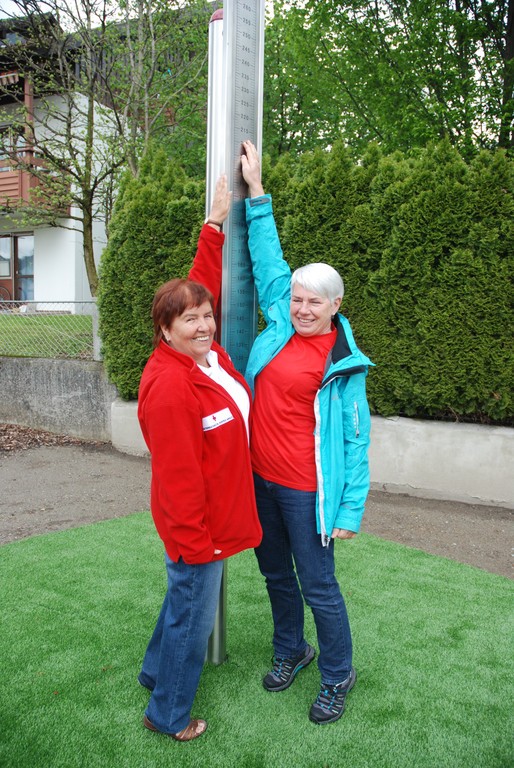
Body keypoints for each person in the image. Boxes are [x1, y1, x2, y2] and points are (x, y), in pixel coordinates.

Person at [241, 141, 373, 725]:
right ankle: (292, 649)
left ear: (335, 305)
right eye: (297, 299)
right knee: (275, 574)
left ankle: (337, 675)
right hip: (261, 481)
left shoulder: (343, 365)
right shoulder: (279, 321)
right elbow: (269, 261)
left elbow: (356, 442)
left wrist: (350, 508)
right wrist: (257, 193)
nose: (301, 308)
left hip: (308, 492)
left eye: (313, 302)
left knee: (319, 586)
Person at [137, 174, 262, 741]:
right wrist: (194, 540)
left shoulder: (205, 357)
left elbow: (199, 287)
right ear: (165, 330)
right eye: (190, 320)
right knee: (192, 615)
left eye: (207, 316)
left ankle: (153, 672)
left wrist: (213, 224)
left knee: (182, 602)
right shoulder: (171, 385)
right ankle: (167, 714)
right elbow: (178, 476)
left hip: (213, 518)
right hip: (197, 527)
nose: (206, 324)